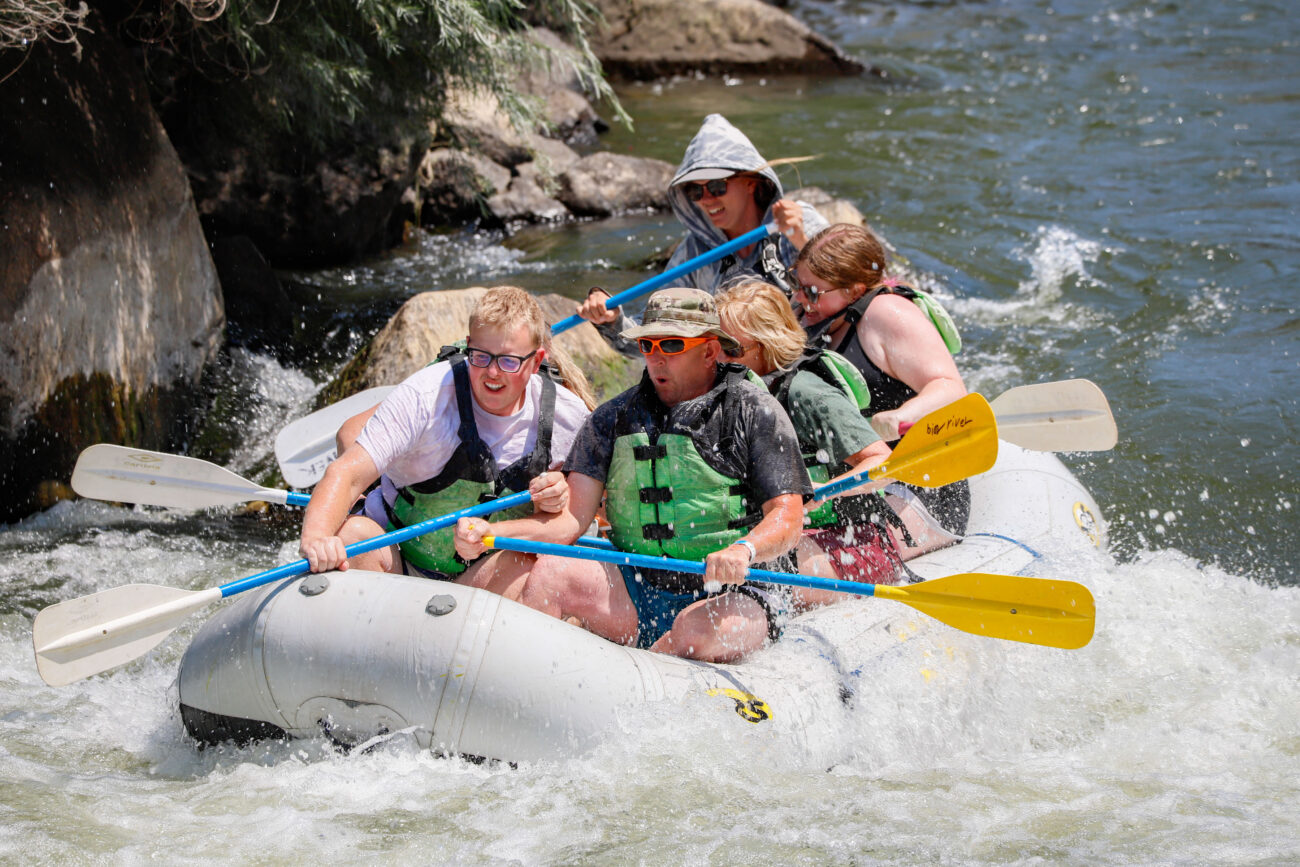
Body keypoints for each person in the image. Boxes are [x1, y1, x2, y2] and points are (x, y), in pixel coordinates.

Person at [455, 288, 813, 663]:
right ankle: (530, 681)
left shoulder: (755, 410)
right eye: (648, 346)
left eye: (672, 345)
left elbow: (788, 517)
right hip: (642, 586)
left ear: (709, 350)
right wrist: (492, 534)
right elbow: (569, 521)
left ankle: (651, 673)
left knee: (694, 632)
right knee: (551, 574)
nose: (656, 360)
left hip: (740, 591)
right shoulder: (611, 419)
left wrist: (745, 549)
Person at [298, 287, 592, 589]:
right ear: (468, 347)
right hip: (396, 560)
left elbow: (581, 517)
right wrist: (317, 538)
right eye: (481, 357)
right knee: (354, 535)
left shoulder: (568, 418)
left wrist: (561, 495)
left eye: (507, 361)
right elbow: (346, 473)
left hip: (482, 577)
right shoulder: (425, 395)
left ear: (535, 361)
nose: (492, 373)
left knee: (536, 567)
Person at [716, 281, 960, 610]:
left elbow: (882, 464)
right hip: (791, 534)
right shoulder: (735, 392)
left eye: (730, 348)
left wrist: (827, 490)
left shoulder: (807, 393)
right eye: (712, 343)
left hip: (857, 540)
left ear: (767, 346)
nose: (716, 357)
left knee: (751, 571)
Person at [577, 114, 830, 352]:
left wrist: (801, 241)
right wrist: (612, 320)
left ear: (751, 182)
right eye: (695, 192)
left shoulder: (795, 222)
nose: (707, 199)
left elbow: (848, 287)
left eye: (717, 186)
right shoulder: (693, 252)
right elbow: (658, 335)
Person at [793, 223, 971, 532]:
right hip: (851, 484)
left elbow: (951, 388)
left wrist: (903, 415)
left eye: (811, 291)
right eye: (795, 283)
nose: (798, 297)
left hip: (917, 488)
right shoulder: (812, 315)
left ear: (855, 291)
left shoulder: (886, 314)